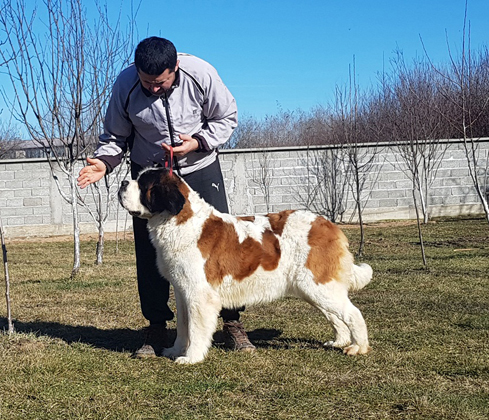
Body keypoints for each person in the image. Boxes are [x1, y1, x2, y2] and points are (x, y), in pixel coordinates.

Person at [77, 36, 255, 358]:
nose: (154, 88)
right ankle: (157, 325)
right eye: (147, 82)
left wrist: (198, 142)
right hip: (151, 176)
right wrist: (103, 162)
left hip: (199, 166)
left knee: (222, 244)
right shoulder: (125, 84)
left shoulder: (200, 73)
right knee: (150, 253)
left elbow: (226, 118)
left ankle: (232, 322)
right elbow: (115, 135)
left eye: (161, 82)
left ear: (176, 67)